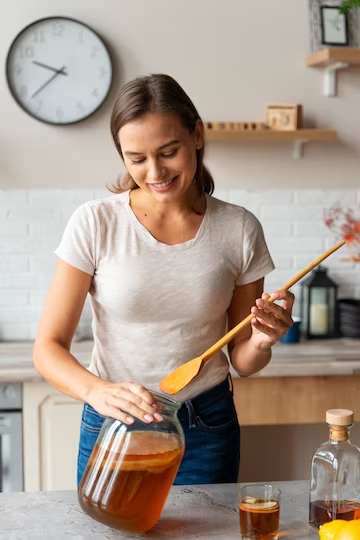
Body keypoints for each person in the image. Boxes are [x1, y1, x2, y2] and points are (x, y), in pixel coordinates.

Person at [33, 73, 294, 486]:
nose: (155, 171)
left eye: (168, 151)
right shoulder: (95, 222)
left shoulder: (239, 229)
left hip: (205, 423)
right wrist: (97, 392)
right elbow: (47, 349)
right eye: (137, 159)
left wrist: (261, 341)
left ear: (197, 136)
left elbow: (243, 360)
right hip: (114, 424)